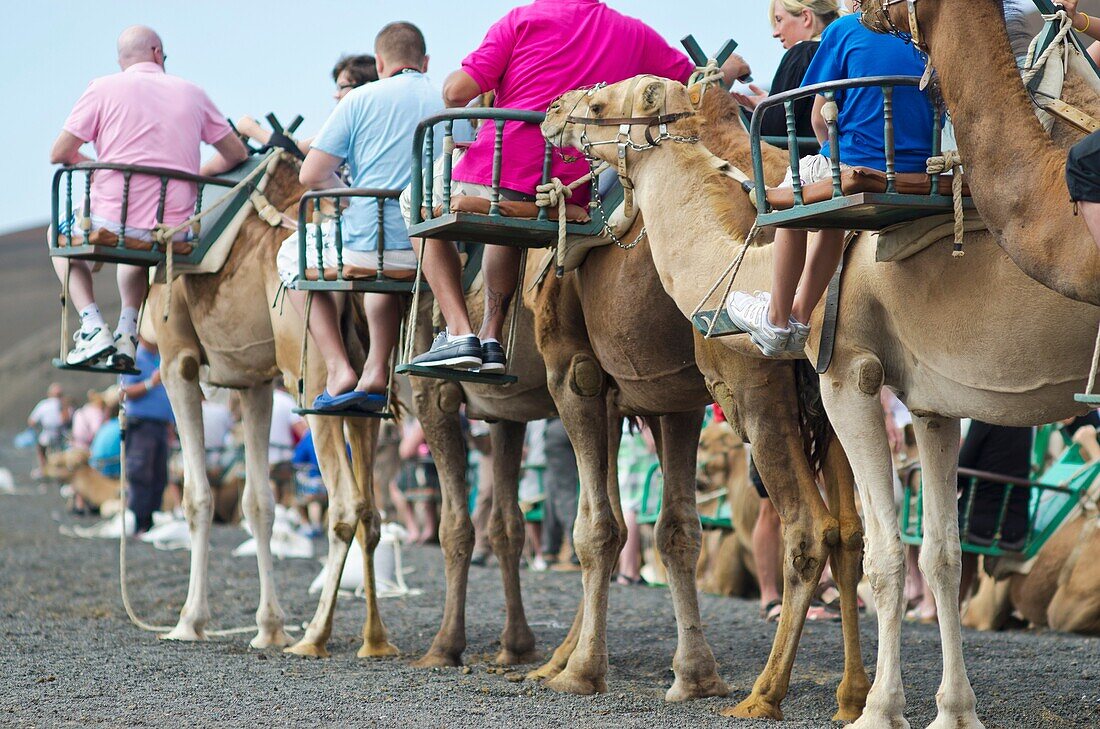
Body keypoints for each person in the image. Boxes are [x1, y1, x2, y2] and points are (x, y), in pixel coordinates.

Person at [403, 0, 700, 374]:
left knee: (413, 200)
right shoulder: (634, 32)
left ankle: (459, 332)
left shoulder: (522, 19)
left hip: (504, 167)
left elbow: (456, 93)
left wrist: (459, 80)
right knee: (504, 226)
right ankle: (491, 336)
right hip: (574, 183)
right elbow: (691, 82)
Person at [726, 5, 933, 356]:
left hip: (861, 165)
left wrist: (827, 151)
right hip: (920, 168)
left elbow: (819, 117)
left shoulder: (845, 29)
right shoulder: (919, 30)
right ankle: (799, 314)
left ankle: (777, 319)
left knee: (792, 193)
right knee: (830, 212)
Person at [49, 26, 247, 369]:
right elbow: (236, 154)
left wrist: (97, 167)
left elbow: (60, 153)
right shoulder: (193, 93)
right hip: (176, 229)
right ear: (157, 52)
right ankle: (127, 335)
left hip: (111, 220)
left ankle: (92, 324)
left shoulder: (102, 88)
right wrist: (199, 173)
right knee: (135, 252)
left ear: (121, 61)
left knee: (56, 234)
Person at [277, 22, 441, 413]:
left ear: (380, 62)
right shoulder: (445, 98)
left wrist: (348, 197)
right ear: (426, 62)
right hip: (429, 249)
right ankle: (375, 368)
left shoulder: (359, 100)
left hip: (368, 247)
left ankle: (338, 369)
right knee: (383, 277)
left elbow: (310, 175)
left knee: (289, 258)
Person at [732, 0, 842, 141]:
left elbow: (774, 130)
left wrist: (730, 110)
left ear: (806, 17)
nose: (775, 33)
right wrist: (772, 105)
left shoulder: (802, 53)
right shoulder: (843, 52)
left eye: (779, 20)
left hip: (805, 160)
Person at [233, 54, 379, 157]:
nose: (336, 95)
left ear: (364, 88)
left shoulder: (354, 126)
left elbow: (295, 151)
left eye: (342, 87)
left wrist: (250, 128)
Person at [120, 334, 175, 533]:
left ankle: (149, 519)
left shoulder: (162, 358)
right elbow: (124, 391)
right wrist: (150, 383)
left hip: (160, 425)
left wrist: (170, 423)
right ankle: (138, 521)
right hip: (141, 424)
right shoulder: (134, 358)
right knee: (140, 471)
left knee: (159, 474)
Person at [542, 418, 580, 569]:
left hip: (557, 425)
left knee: (562, 492)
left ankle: (573, 549)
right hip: (587, 420)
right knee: (559, 490)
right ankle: (552, 548)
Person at [28, 383, 70, 475]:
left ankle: (43, 469)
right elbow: (67, 420)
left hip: (47, 435)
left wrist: (37, 429)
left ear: (49, 394)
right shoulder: (64, 405)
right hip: (61, 437)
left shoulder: (43, 405)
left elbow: (31, 422)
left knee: (41, 449)